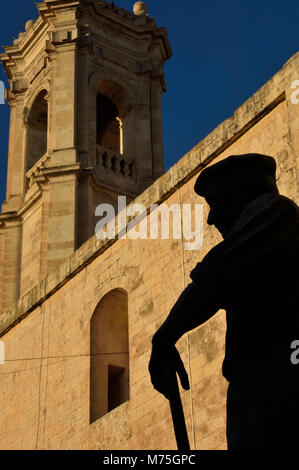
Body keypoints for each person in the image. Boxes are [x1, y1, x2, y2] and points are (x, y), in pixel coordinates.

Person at [148, 153, 299, 450]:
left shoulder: (276, 212)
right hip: (256, 383)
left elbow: (215, 277)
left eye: (215, 201)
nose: (211, 217)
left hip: (274, 379)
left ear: (241, 190)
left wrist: (164, 337)